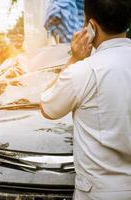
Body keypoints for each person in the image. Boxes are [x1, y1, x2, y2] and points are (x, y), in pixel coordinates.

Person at [40, 0, 131, 199]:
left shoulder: (82, 71)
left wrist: (74, 59)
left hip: (97, 193)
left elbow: (48, 108)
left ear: (91, 26)